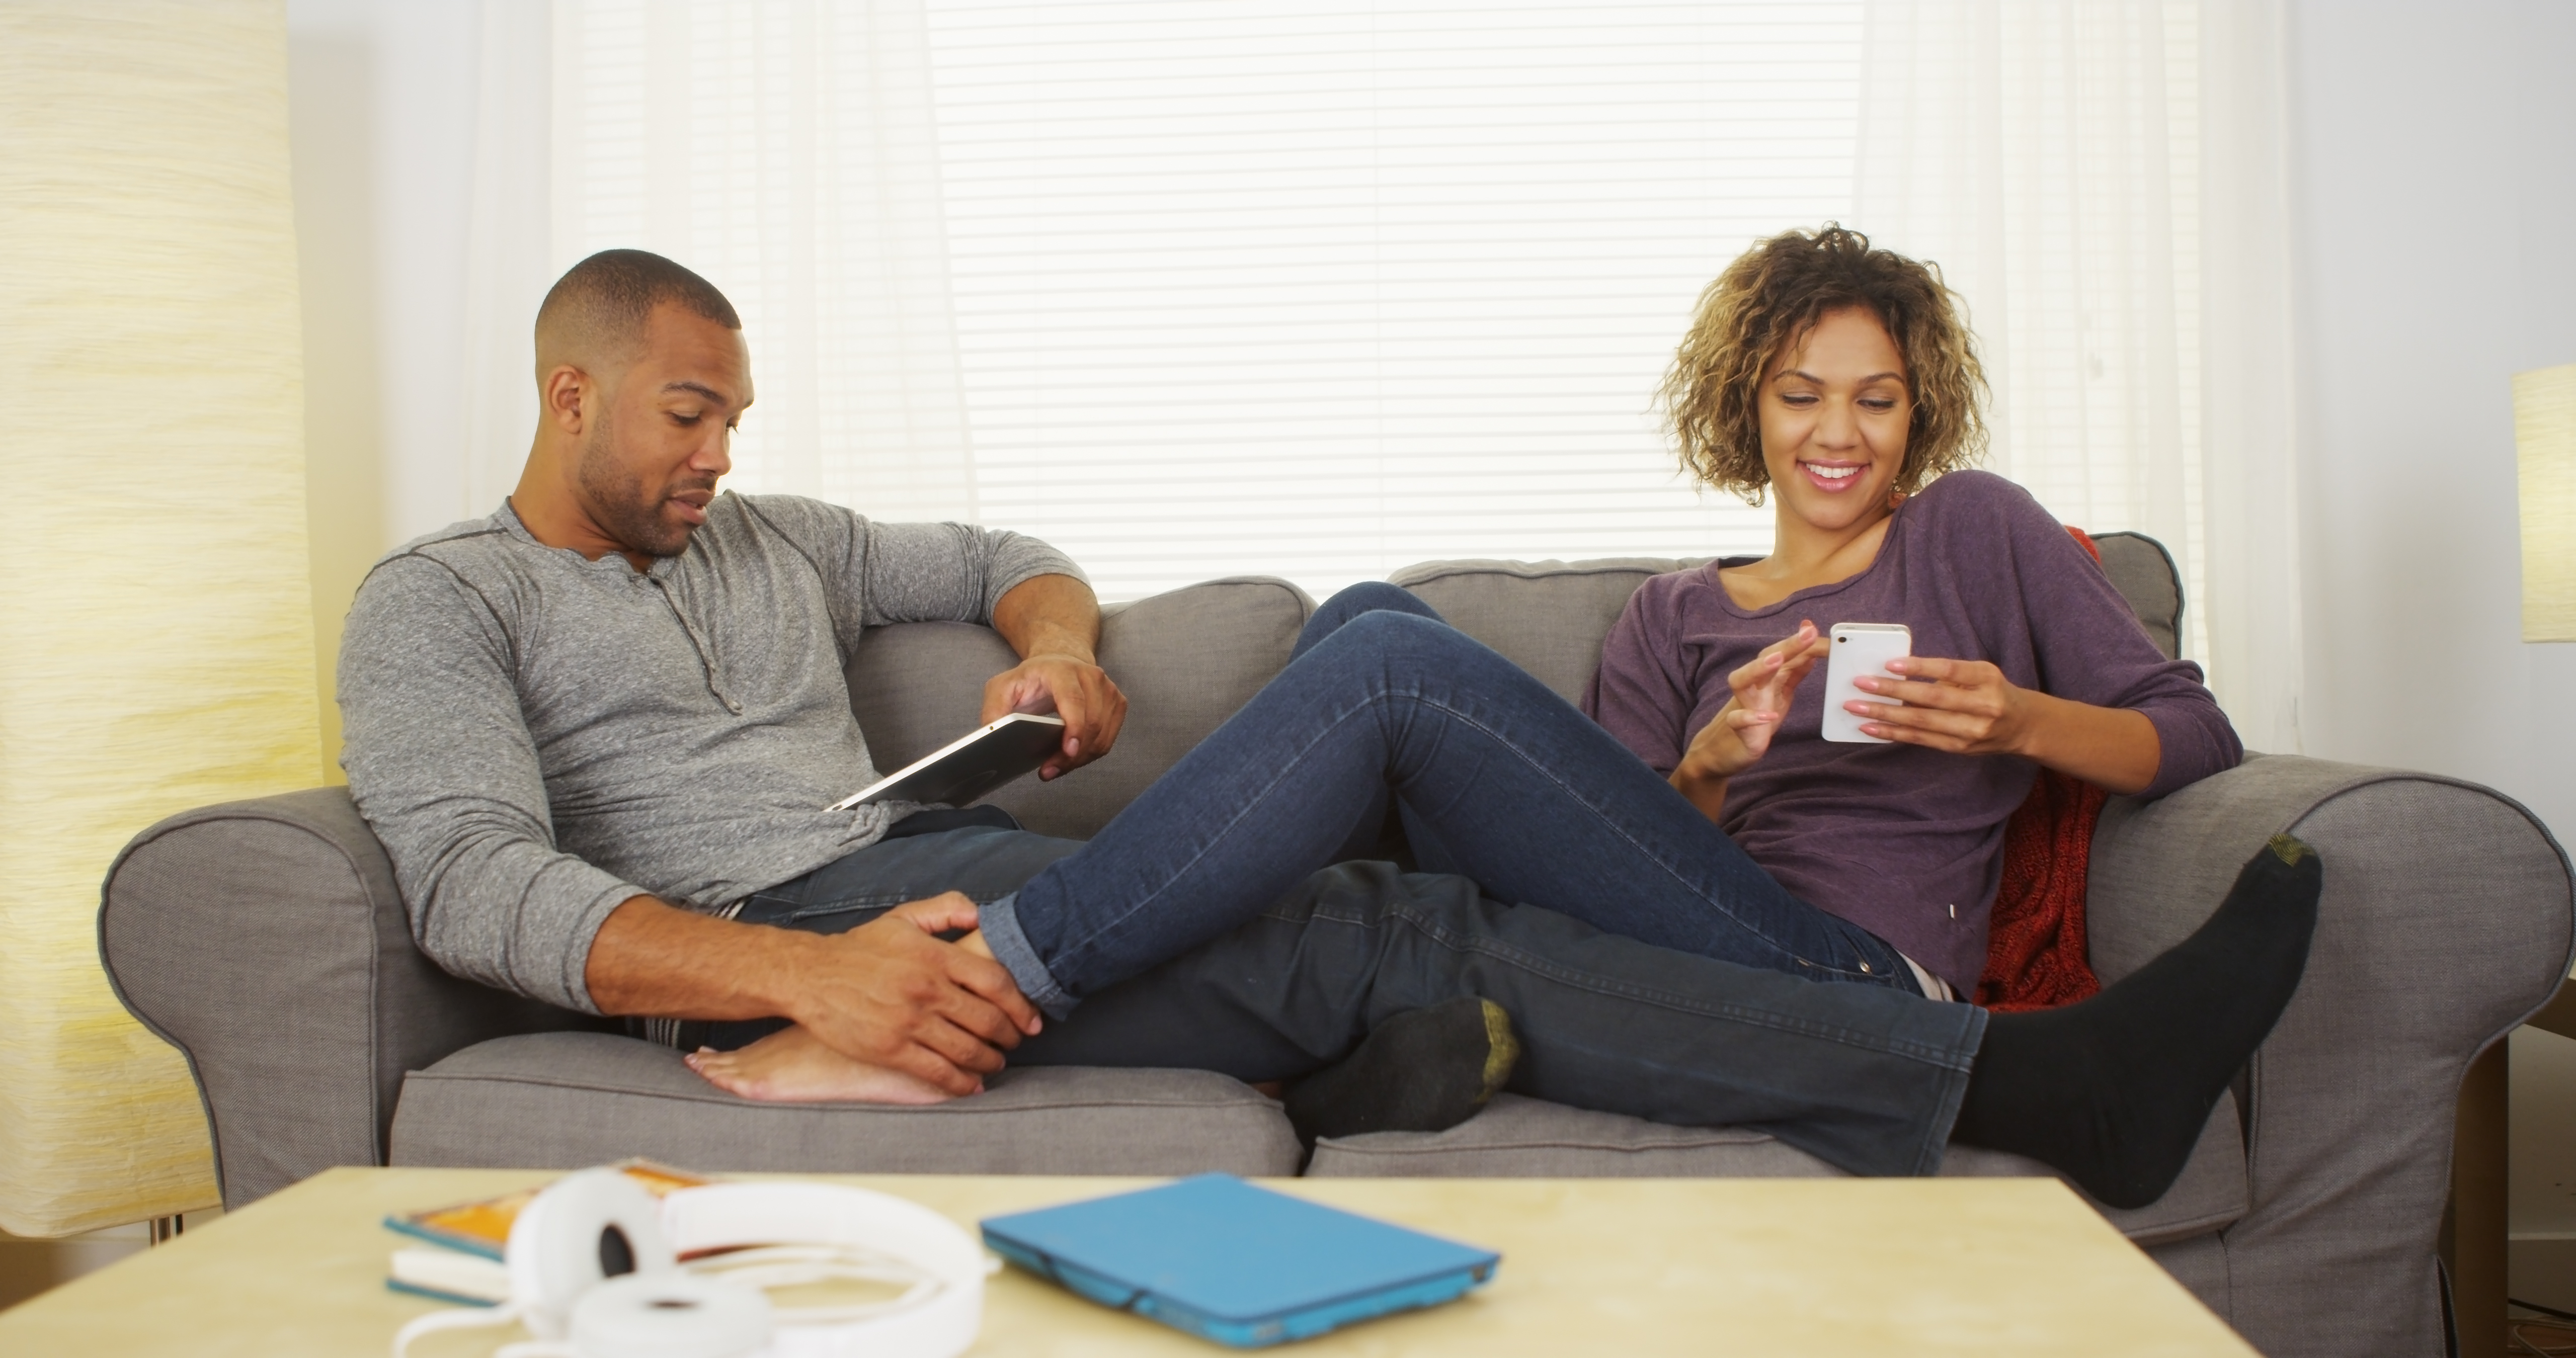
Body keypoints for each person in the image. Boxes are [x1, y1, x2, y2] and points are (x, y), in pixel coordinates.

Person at [341, 247, 2315, 1215]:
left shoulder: (776, 539)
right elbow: (468, 880)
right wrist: (805, 983)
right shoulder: (441, 601)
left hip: (921, 870)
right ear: (567, 386)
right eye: (689, 416)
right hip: (814, 933)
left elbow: (1009, 551)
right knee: (1380, 788)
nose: (719, 456)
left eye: (735, 419)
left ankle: (1317, 997)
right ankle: (2005, 1089)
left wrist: (1052, 648)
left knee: (1375, 689)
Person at [1579, 222, 2242, 998]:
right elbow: (1612, 873)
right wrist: (1708, 767)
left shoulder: (1969, 530)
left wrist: (2021, 722)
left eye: (1876, 401)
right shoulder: (1668, 614)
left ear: (1916, 412)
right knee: (1395, 645)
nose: (1837, 433)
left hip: (1866, 964)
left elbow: (2200, 736)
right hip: (1695, 947)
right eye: (1799, 396)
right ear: (1747, 405)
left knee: (1399, 670)